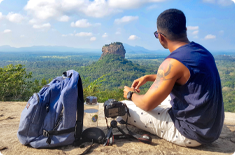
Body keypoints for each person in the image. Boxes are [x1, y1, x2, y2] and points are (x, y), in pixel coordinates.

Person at [122, 8, 224, 147]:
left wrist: (130, 94)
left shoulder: (171, 63)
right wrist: (150, 77)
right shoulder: (202, 52)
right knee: (163, 99)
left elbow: (146, 104)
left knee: (122, 108)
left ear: (161, 36)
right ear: (185, 30)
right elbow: (187, 77)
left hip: (190, 134)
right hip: (211, 129)